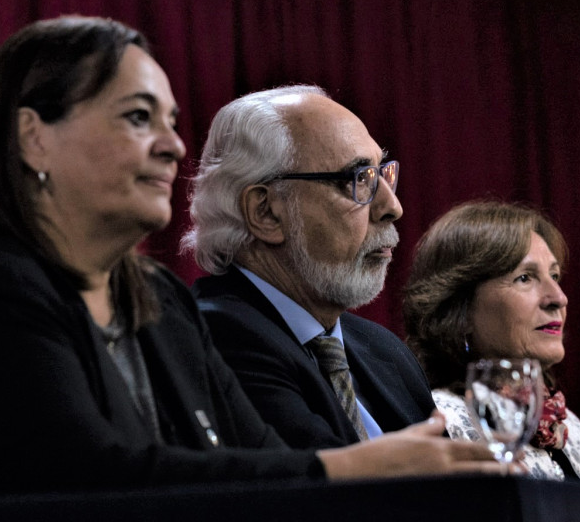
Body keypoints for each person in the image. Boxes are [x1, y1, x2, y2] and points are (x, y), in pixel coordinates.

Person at [0, 16, 497, 522]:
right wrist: (350, 474)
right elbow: (100, 489)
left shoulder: (157, 297)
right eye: (138, 118)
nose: (175, 146)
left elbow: (267, 462)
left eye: (172, 123)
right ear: (35, 137)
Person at [182, 85, 435, 449]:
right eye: (359, 178)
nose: (392, 206)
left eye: (382, 174)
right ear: (266, 212)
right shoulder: (216, 337)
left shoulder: (382, 349)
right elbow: (327, 496)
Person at [402, 200, 580, 485]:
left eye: (555, 276)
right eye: (524, 278)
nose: (558, 298)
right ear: (459, 312)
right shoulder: (442, 424)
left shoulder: (570, 427)